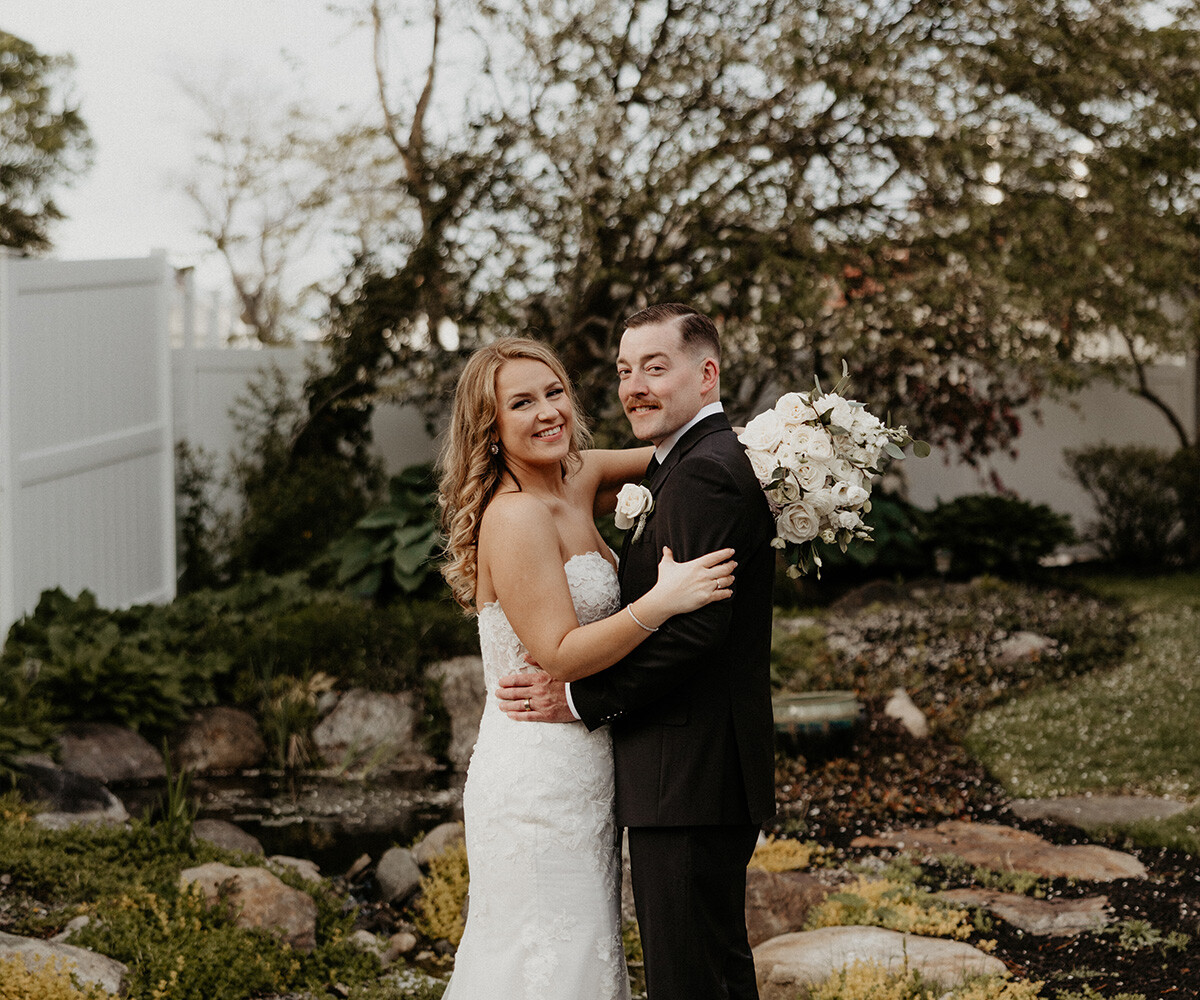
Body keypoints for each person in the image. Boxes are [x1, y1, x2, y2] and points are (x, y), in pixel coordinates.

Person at [436, 336, 739, 1000]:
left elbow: (684, 454)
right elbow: (561, 653)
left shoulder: (580, 474)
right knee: (544, 954)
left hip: (590, 766)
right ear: (490, 428)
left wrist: (790, 443)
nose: (548, 413)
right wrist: (662, 603)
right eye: (521, 403)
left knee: (588, 950)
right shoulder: (513, 516)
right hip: (537, 775)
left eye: (554, 392)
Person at [498, 304, 777, 1000]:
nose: (635, 387)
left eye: (656, 367)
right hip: (682, 776)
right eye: (625, 371)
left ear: (706, 374)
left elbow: (695, 631)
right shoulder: (677, 462)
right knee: (709, 973)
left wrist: (577, 699)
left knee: (692, 981)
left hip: (687, 776)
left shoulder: (700, 472)